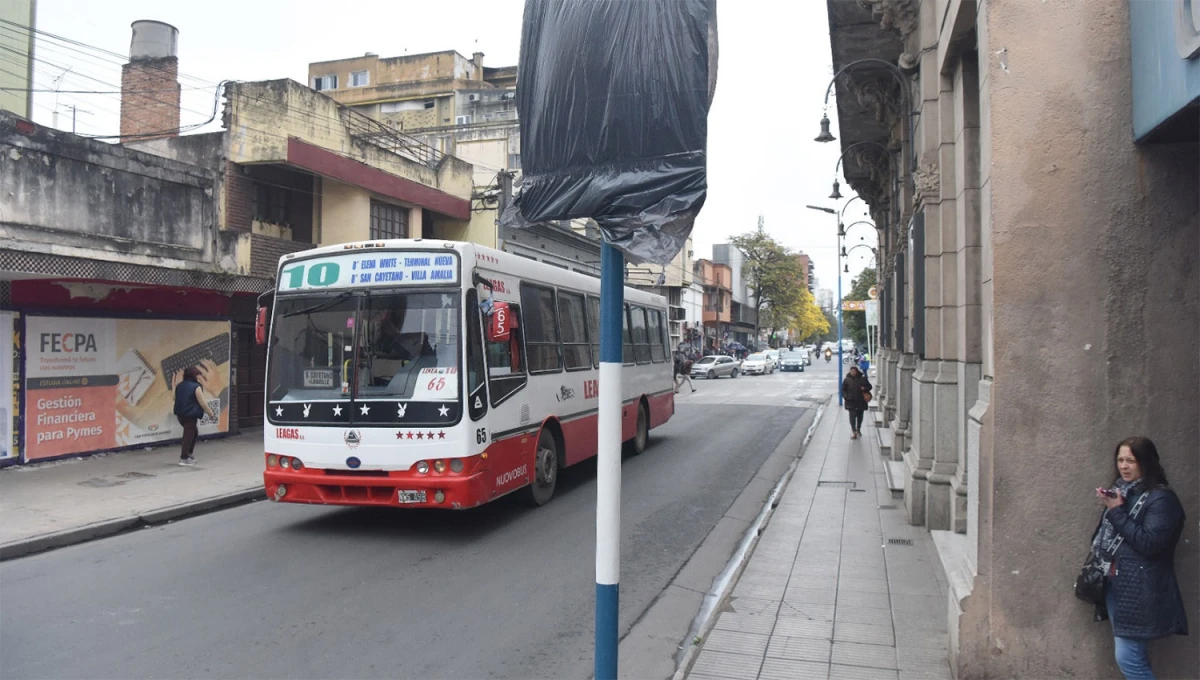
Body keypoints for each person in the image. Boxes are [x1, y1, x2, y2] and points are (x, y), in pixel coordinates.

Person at [1090, 436, 1187, 679]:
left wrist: (1116, 510)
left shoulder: (1162, 499)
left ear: (1146, 462)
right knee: (1130, 657)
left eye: (1131, 461)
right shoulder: (1123, 491)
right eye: (1120, 460)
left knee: (1130, 660)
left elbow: (1149, 543)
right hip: (1116, 584)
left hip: (1140, 590)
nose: (1123, 466)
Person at [173, 366, 217, 466]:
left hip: (180, 414)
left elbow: (173, 397)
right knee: (188, 436)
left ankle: (189, 454)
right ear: (194, 376)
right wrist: (211, 413)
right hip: (190, 415)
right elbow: (203, 403)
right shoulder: (196, 387)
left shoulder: (179, 386)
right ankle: (184, 458)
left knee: (193, 433)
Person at [841, 365, 872, 439]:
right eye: (852, 371)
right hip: (850, 401)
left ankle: (858, 428)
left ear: (857, 371)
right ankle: (854, 431)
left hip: (861, 401)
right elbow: (843, 389)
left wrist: (864, 388)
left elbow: (869, 387)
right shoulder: (847, 380)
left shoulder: (862, 379)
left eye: (854, 371)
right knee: (852, 417)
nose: (853, 373)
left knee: (860, 416)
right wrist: (846, 396)